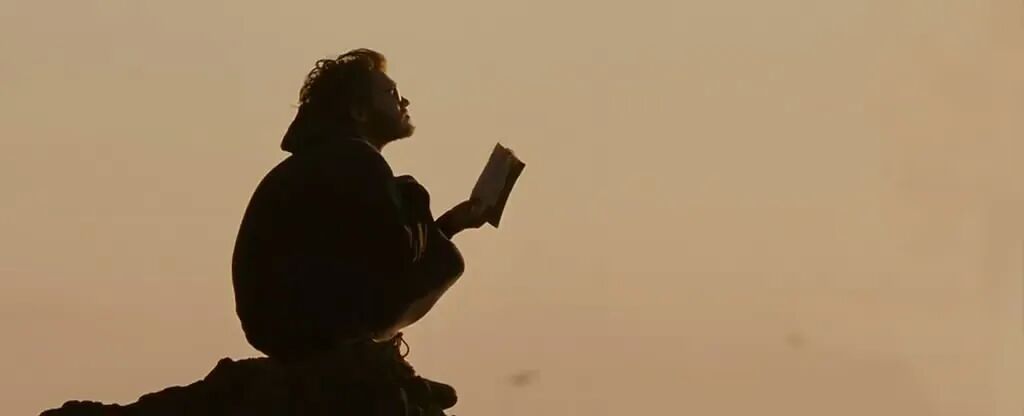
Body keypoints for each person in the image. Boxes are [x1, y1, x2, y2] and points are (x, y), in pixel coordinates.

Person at [230, 48, 486, 414]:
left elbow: (367, 251)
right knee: (449, 260)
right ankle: (377, 364)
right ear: (360, 112)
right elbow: (395, 257)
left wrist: (451, 224)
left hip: (279, 325)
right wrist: (416, 200)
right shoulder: (357, 159)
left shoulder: (324, 161)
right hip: (313, 324)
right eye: (391, 93)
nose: (404, 101)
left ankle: (381, 365)